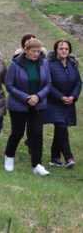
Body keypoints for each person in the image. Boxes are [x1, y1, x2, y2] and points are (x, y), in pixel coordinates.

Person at [4, 38, 52, 176]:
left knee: (36, 134)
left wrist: (38, 96)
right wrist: (26, 98)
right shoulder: (15, 64)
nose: (36, 54)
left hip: (38, 105)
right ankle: (9, 156)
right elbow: (9, 85)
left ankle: (37, 164)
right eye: (33, 51)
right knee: (18, 132)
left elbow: (48, 83)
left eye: (38, 51)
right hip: (19, 104)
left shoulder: (44, 64)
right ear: (25, 51)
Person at [45, 39, 82, 168]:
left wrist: (73, 96)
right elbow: (47, 84)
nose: (64, 51)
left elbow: (78, 82)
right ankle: (68, 157)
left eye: (66, 49)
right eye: (61, 49)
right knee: (61, 127)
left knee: (61, 129)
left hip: (69, 103)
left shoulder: (73, 64)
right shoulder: (49, 64)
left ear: (69, 50)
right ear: (56, 50)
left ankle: (54, 157)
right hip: (54, 102)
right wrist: (61, 97)